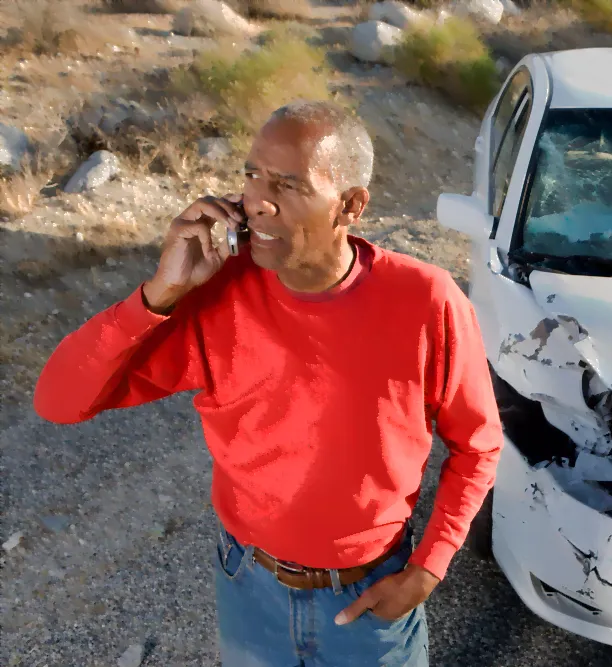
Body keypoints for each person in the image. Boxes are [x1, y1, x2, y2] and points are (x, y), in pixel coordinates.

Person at [32, 100, 504, 667]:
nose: (258, 201)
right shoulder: (214, 297)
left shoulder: (427, 300)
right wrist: (158, 292)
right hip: (247, 587)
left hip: (369, 599)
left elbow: (478, 444)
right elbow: (57, 400)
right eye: (252, 175)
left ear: (350, 206)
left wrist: (429, 567)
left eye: (287, 184)